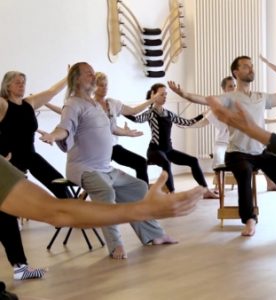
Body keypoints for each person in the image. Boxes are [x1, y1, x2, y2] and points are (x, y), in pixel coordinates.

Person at [167, 55, 276, 237]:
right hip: (237, 153)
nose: (251, 69)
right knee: (244, 173)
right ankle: (249, 220)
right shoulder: (230, 97)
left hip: (260, 152)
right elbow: (206, 100)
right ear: (236, 73)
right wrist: (184, 95)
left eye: (251, 66)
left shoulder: (261, 97)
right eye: (246, 66)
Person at [0, 153, 203, 299]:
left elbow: (56, 212)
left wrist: (144, 210)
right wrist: (144, 210)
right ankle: (116, 244)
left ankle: (20, 265)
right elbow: (56, 212)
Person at [39, 62, 179, 260]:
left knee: (138, 187)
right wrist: (54, 136)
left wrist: (127, 133)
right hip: (83, 168)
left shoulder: (95, 104)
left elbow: (110, 129)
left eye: (94, 73)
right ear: (77, 79)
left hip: (105, 168)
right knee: (106, 192)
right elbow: (65, 127)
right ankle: (116, 245)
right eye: (89, 73)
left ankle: (153, 234)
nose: (93, 76)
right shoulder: (73, 103)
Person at [0, 70, 70, 280]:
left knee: (61, 182)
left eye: (23, 82)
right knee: (7, 218)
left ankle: (63, 216)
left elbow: (51, 91)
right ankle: (20, 266)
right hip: (11, 163)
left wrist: (69, 76)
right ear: (7, 85)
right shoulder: (3, 104)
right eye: (17, 82)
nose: (21, 85)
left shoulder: (29, 103)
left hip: (30, 156)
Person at [45, 71, 163, 184]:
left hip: (113, 148)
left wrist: (151, 100)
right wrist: (47, 104)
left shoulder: (113, 103)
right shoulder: (88, 105)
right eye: (101, 85)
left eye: (106, 85)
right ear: (93, 87)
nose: (105, 88)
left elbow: (133, 110)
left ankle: (145, 198)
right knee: (96, 175)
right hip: (95, 149)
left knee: (140, 162)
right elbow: (64, 111)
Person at [125, 83, 218, 199]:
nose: (164, 97)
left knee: (193, 160)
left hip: (169, 151)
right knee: (166, 162)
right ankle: (172, 194)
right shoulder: (150, 113)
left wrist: (204, 114)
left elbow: (187, 122)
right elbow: (135, 119)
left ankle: (206, 191)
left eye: (165, 94)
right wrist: (119, 109)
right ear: (153, 95)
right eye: (161, 94)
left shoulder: (169, 114)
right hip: (155, 151)